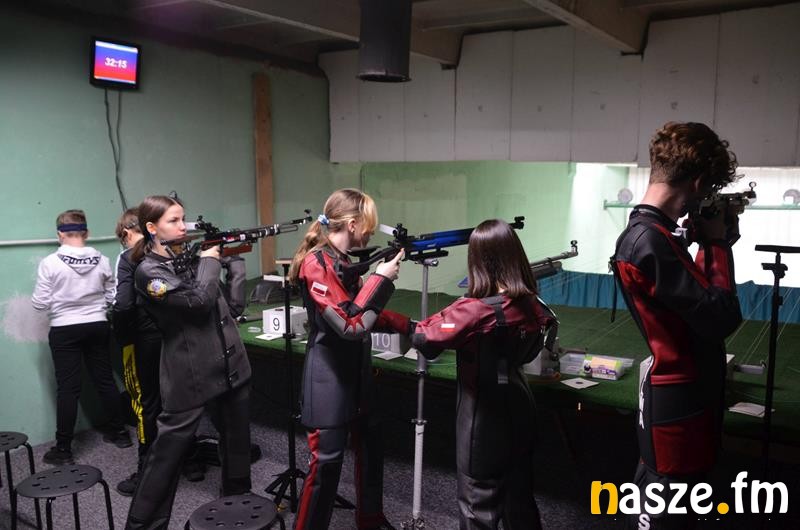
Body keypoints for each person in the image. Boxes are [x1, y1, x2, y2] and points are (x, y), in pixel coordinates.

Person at [611, 122, 743, 529]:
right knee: (669, 507)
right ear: (698, 181)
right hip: (679, 400)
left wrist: (708, 242)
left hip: (685, 397)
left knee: (678, 502)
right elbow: (719, 317)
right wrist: (716, 244)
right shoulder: (649, 242)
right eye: (707, 189)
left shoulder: (656, 236)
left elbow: (696, 304)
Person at [410, 219, 554, 530]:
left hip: (482, 421)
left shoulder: (476, 309)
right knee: (520, 503)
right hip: (520, 408)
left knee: (478, 509)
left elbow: (424, 338)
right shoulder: (530, 301)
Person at [125, 195, 252, 530]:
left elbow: (230, 305)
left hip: (230, 365)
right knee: (166, 457)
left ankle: (238, 510)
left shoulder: (187, 258)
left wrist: (234, 261)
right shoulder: (149, 272)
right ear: (152, 228)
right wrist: (210, 261)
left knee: (237, 444)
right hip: (189, 373)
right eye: (174, 221)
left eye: (184, 219)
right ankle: (143, 525)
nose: (183, 227)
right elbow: (199, 302)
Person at [289, 188, 409, 530]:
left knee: (371, 450)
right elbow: (352, 325)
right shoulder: (316, 264)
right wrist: (381, 280)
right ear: (353, 224)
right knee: (325, 467)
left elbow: (360, 310)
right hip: (328, 378)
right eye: (368, 224)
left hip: (357, 375)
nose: (370, 232)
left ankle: (370, 521)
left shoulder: (342, 262)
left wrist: (408, 325)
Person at [32, 209, 132, 465]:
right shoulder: (102, 260)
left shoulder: (50, 263)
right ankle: (120, 434)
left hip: (65, 329)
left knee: (68, 388)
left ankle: (63, 449)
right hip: (98, 325)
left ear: (60, 234)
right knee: (105, 380)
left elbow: (40, 304)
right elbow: (113, 297)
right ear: (86, 233)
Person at [112, 208, 163, 496]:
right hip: (174, 338)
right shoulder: (166, 252)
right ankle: (188, 460)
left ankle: (146, 471)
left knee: (146, 404)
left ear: (127, 232)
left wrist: (123, 336)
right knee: (177, 402)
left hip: (143, 340)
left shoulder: (128, 258)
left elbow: (123, 304)